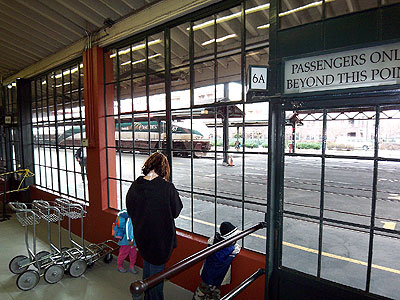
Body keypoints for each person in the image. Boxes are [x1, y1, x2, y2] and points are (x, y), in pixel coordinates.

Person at [126, 152, 183, 300]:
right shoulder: (167, 187)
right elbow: (176, 211)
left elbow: (130, 210)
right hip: (160, 242)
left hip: (142, 238)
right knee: (157, 279)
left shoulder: (135, 185)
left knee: (147, 272)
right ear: (163, 168)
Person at [192, 222, 241, 300]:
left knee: (201, 294)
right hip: (217, 278)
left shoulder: (212, 243)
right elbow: (235, 250)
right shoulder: (231, 250)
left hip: (207, 275)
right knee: (210, 294)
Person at [114, 209, 138, 274]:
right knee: (123, 253)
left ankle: (131, 266)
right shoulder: (130, 215)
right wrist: (130, 239)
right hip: (127, 240)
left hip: (132, 239)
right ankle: (119, 266)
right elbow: (129, 228)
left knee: (133, 253)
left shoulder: (134, 213)